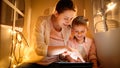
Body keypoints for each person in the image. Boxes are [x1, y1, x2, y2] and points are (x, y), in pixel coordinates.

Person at [17, 0, 76, 68]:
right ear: (56, 13)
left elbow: (61, 55)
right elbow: (39, 49)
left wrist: (69, 58)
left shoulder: (68, 29)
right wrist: (65, 48)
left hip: (54, 64)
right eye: (66, 18)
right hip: (36, 62)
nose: (68, 22)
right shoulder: (42, 21)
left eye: (71, 19)